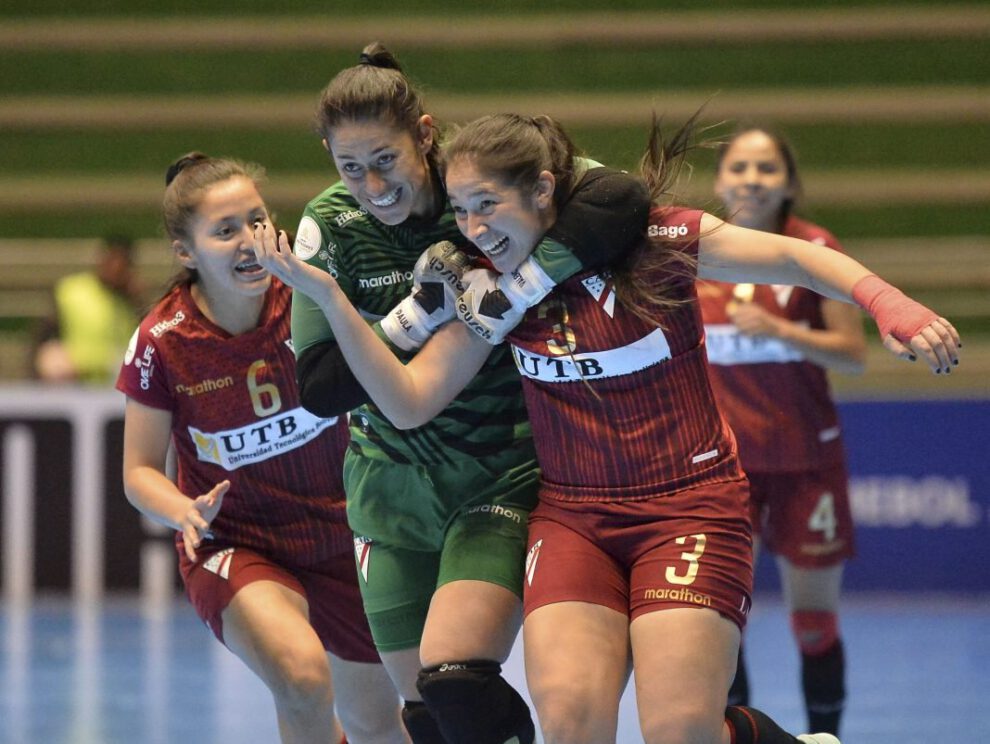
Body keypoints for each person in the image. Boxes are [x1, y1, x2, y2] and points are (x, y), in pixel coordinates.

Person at [253, 112, 960, 744]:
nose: (473, 228)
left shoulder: (651, 241)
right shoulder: (485, 285)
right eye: (461, 210)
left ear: (542, 190)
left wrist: (888, 304)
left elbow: (793, 257)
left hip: (688, 506)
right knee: (570, 722)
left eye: (487, 205)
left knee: (679, 731)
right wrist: (331, 299)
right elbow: (410, 401)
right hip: (574, 517)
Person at [286, 43, 650, 744]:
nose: (373, 185)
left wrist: (522, 286)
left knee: (454, 677)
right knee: (428, 713)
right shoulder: (330, 226)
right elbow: (321, 388)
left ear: (425, 135)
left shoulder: (475, 181)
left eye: (386, 159)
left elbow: (620, 197)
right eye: (350, 167)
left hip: (498, 470)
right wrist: (417, 315)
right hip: (387, 483)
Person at [116, 153, 407, 744]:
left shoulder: (313, 296)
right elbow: (139, 471)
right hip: (237, 542)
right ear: (185, 252)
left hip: (343, 536)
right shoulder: (162, 341)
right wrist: (183, 511)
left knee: (377, 722)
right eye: (225, 231)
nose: (250, 241)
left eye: (256, 220)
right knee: (301, 678)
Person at [698, 126, 866, 735]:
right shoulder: (692, 253)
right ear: (720, 181)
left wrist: (780, 330)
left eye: (767, 168)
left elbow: (852, 353)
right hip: (724, 469)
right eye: (740, 167)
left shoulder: (815, 248)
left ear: (789, 182)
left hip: (805, 462)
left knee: (814, 623)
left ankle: (827, 737)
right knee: (720, 625)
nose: (752, 179)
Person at [34, 233, 144, 384]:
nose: (115, 269)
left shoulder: (132, 300)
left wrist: (138, 302)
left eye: (122, 264)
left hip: (118, 382)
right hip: (74, 381)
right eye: (111, 261)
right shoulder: (71, 291)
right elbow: (42, 340)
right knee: (52, 360)